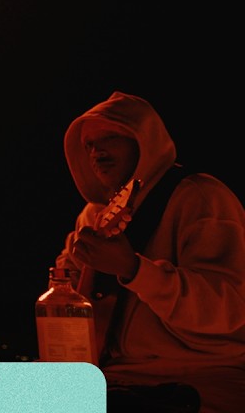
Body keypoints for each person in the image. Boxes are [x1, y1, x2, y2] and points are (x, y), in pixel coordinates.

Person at [56, 91, 245, 413]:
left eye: (110, 137)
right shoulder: (93, 217)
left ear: (145, 142)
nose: (97, 151)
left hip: (201, 378)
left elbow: (229, 308)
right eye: (88, 144)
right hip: (110, 380)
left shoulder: (201, 198)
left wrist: (133, 269)